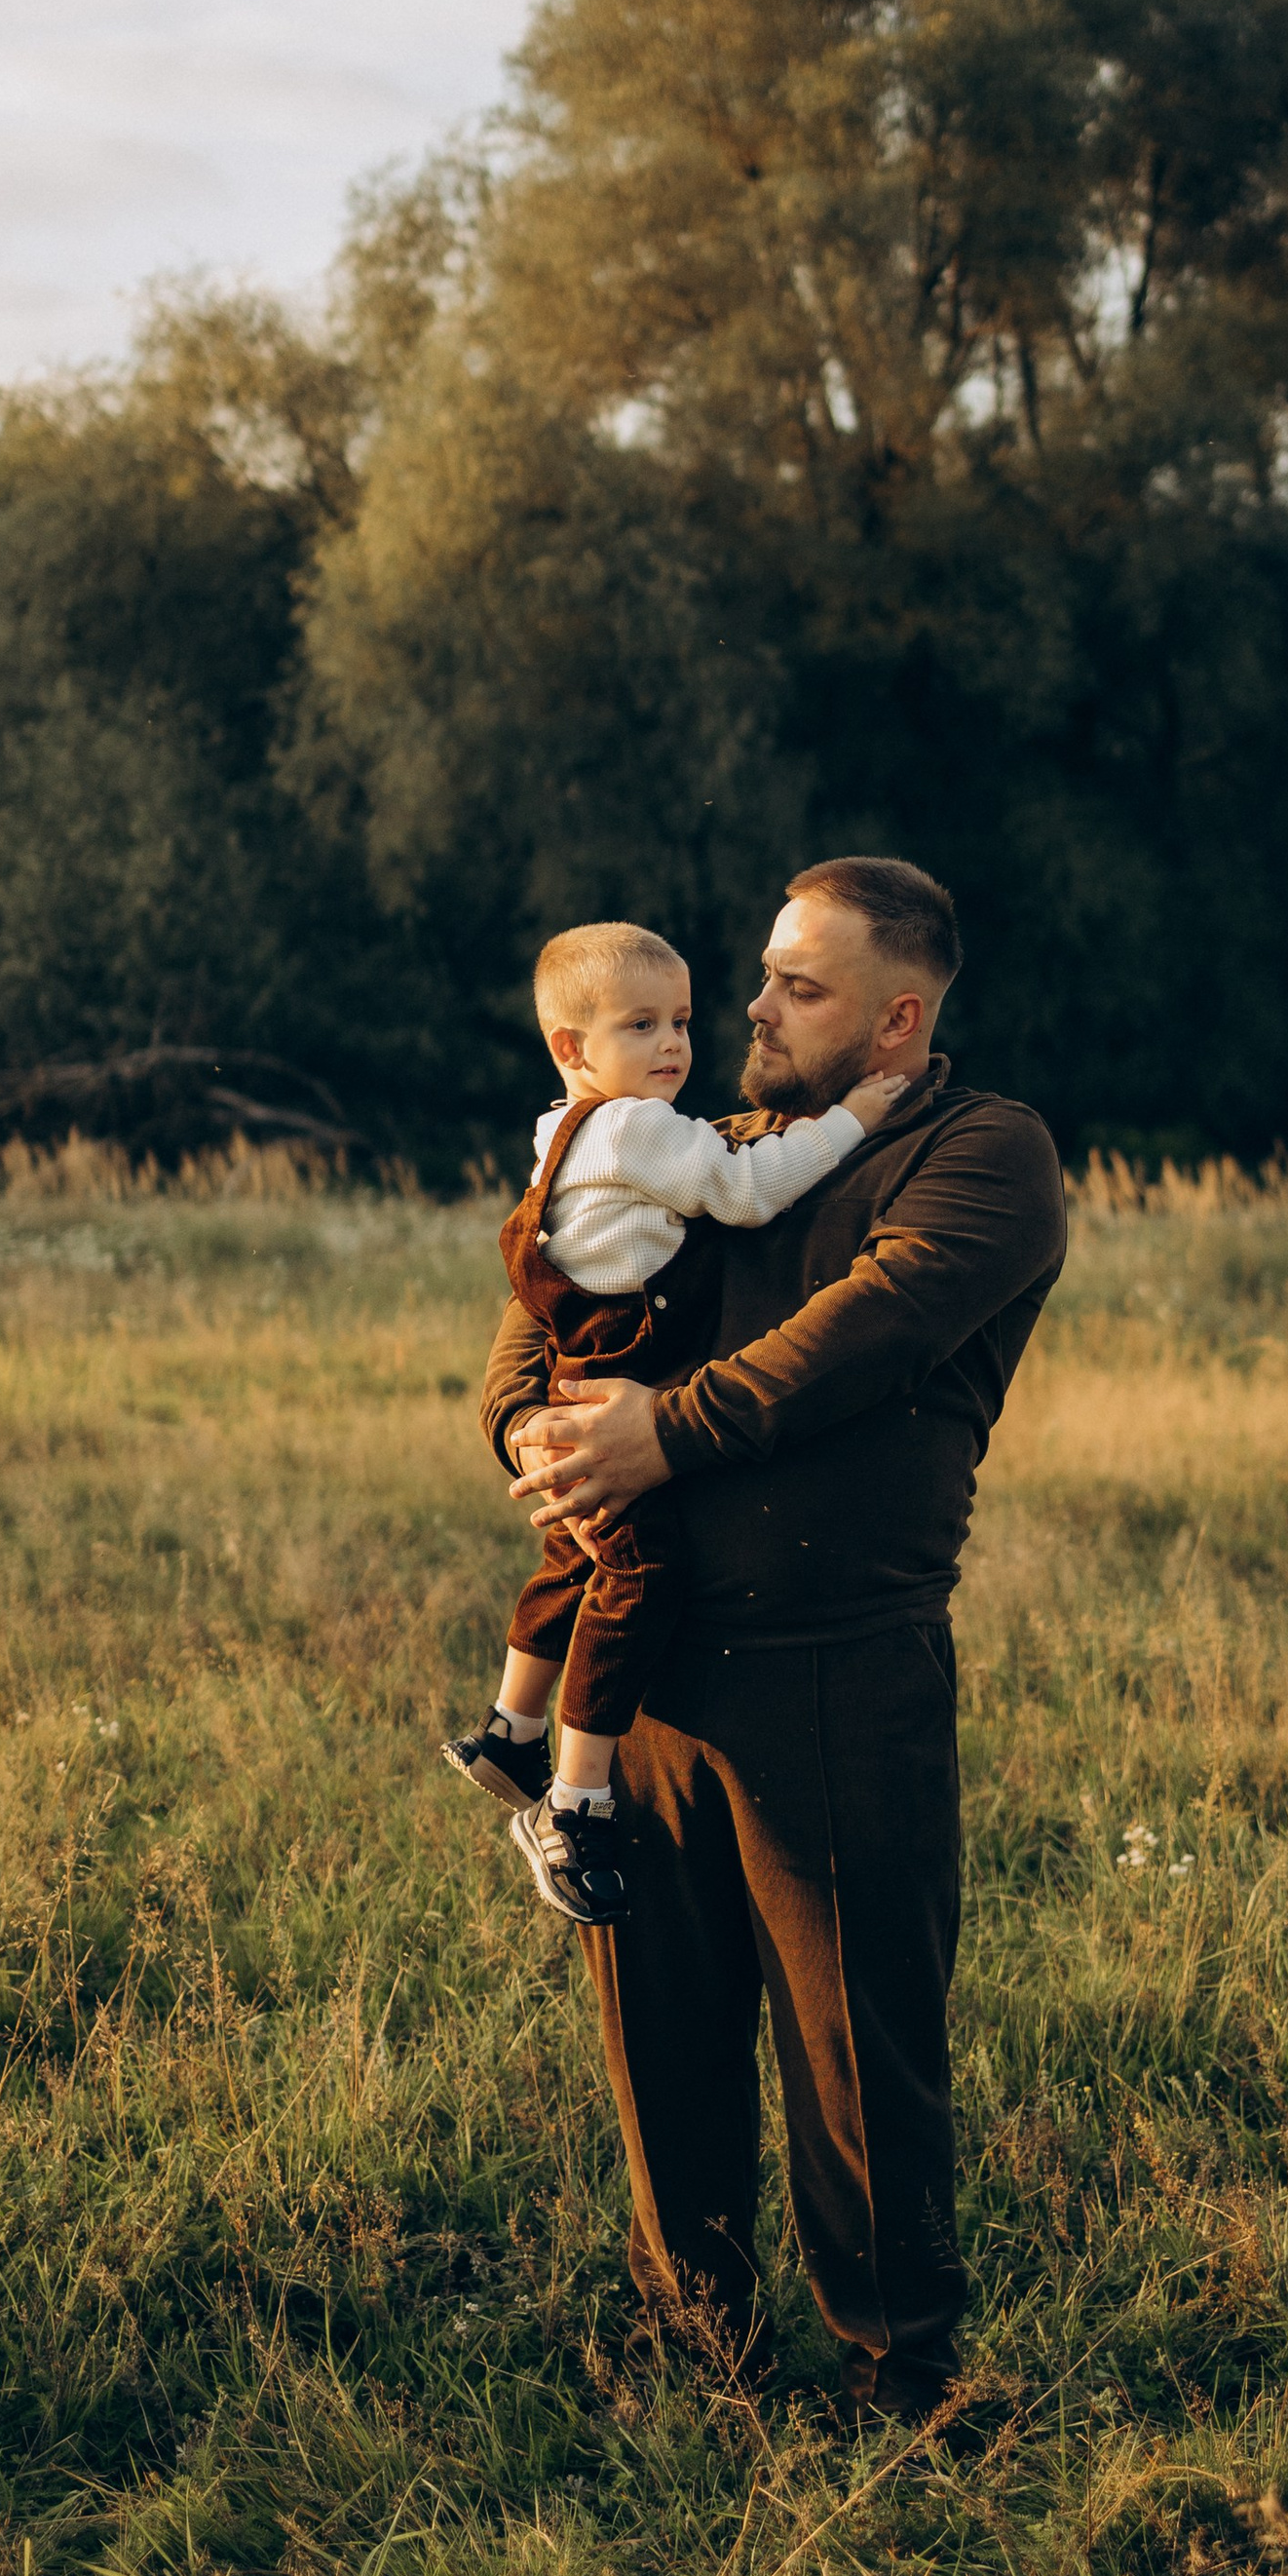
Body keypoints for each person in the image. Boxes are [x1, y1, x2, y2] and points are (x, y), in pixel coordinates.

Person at [480, 856, 1067, 2425]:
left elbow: (862, 1336)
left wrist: (662, 1436)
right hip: (646, 1671)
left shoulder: (983, 1152)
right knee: (659, 2039)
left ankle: (904, 2375)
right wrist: (536, 1431)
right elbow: (533, 1320)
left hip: (838, 1666)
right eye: (761, 972)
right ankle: (695, 2353)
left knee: (856, 2047)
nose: (751, 1006)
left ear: (894, 1016)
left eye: (797, 985)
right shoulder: (694, 1145)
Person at [444, 918, 909, 1924]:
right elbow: (749, 1191)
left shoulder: (562, 1127)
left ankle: (508, 1726)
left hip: (579, 1361)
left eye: (682, 1021)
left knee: (572, 1554)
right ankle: (573, 1799)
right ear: (572, 1048)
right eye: (642, 1023)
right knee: (634, 1572)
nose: (675, 1045)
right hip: (625, 1361)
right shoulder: (641, 1129)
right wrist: (856, 1121)